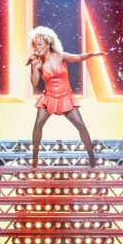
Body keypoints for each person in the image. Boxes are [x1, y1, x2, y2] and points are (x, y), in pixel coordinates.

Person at [27, 26, 102, 168]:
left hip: (65, 97)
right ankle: (35, 158)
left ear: (48, 43)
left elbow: (79, 57)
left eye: (40, 44)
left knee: (80, 125)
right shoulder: (38, 63)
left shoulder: (61, 56)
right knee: (38, 124)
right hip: (48, 97)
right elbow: (34, 84)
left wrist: (92, 54)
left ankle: (92, 158)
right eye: (35, 45)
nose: (38, 47)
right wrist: (33, 67)